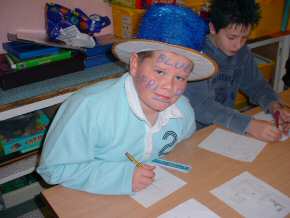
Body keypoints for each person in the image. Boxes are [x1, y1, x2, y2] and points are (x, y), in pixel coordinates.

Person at [37, 4, 217, 195]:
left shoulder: (183, 111)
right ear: (135, 64)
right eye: (160, 71)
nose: (169, 86)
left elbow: (183, 152)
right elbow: (53, 169)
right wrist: (122, 176)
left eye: (180, 77)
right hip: (96, 199)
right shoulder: (88, 108)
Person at [184, 0, 290, 142]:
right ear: (213, 28)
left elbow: (256, 85)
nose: (238, 45)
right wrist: (249, 125)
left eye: (244, 37)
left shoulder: (242, 52)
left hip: (224, 127)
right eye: (231, 37)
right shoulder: (197, 56)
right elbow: (202, 106)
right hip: (194, 132)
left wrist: (274, 105)